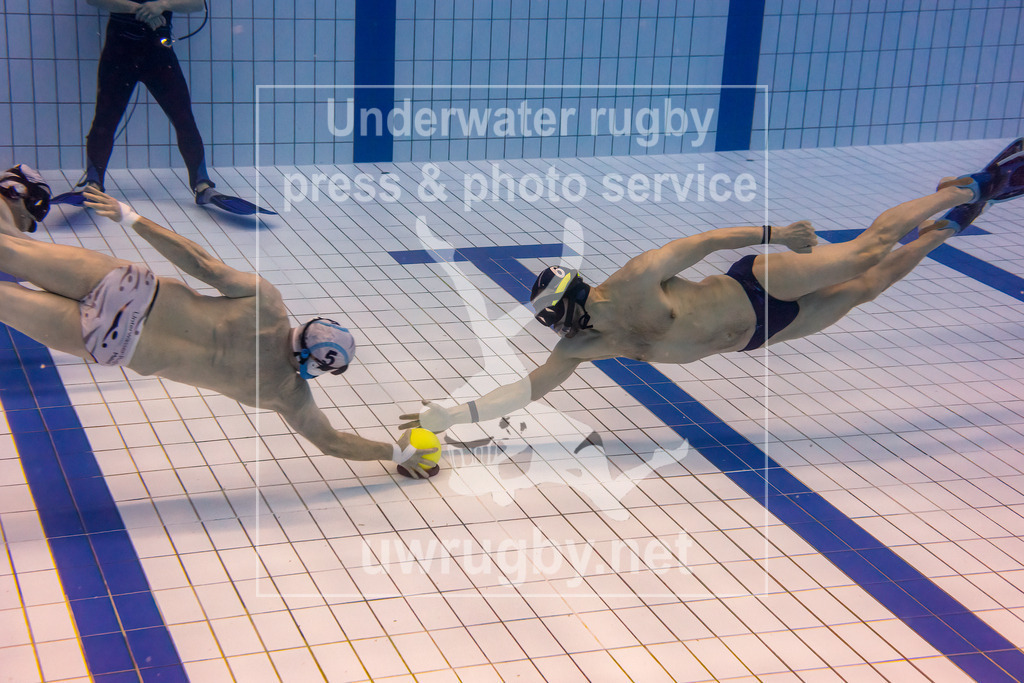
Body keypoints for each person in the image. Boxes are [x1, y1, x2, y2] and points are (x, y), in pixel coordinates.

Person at [401, 139, 1024, 434]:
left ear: (571, 304)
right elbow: (524, 391)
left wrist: (775, 232)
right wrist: (449, 415)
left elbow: (701, 244)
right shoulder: (583, 350)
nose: (565, 331)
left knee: (865, 251)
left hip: (757, 285)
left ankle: (965, 185)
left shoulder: (635, 282)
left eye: (561, 317)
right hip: (759, 334)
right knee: (871, 287)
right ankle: (951, 223)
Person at [0, 169, 432, 476]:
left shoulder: (267, 304)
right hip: (110, 341)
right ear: (318, 369)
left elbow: (198, 262)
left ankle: (13, 193)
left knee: (9, 249)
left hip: (129, 288)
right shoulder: (287, 395)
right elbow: (333, 442)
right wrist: (398, 452)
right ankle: (12, 201)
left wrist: (129, 217)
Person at [57, 1, 272, 215]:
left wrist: (162, 4)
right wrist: (140, 10)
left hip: (157, 54)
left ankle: (203, 186)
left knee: (184, 119)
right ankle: (94, 184)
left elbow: (197, 4)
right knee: (105, 120)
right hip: (119, 53)